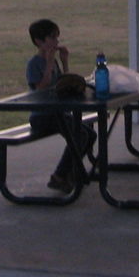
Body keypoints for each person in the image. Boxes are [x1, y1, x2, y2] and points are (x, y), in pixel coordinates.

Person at [26, 18, 95, 192]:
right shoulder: (34, 64)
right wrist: (49, 62)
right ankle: (60, 175)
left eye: (57, 37)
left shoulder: (54, 61)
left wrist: (64, 61)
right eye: (52, 38)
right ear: (39, 41)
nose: (56, 42)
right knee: (79, 135)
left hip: (57, 112)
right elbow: (40, 88)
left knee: (90, 134)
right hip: (42, 116)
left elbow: (64, 82)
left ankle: (72, 171)